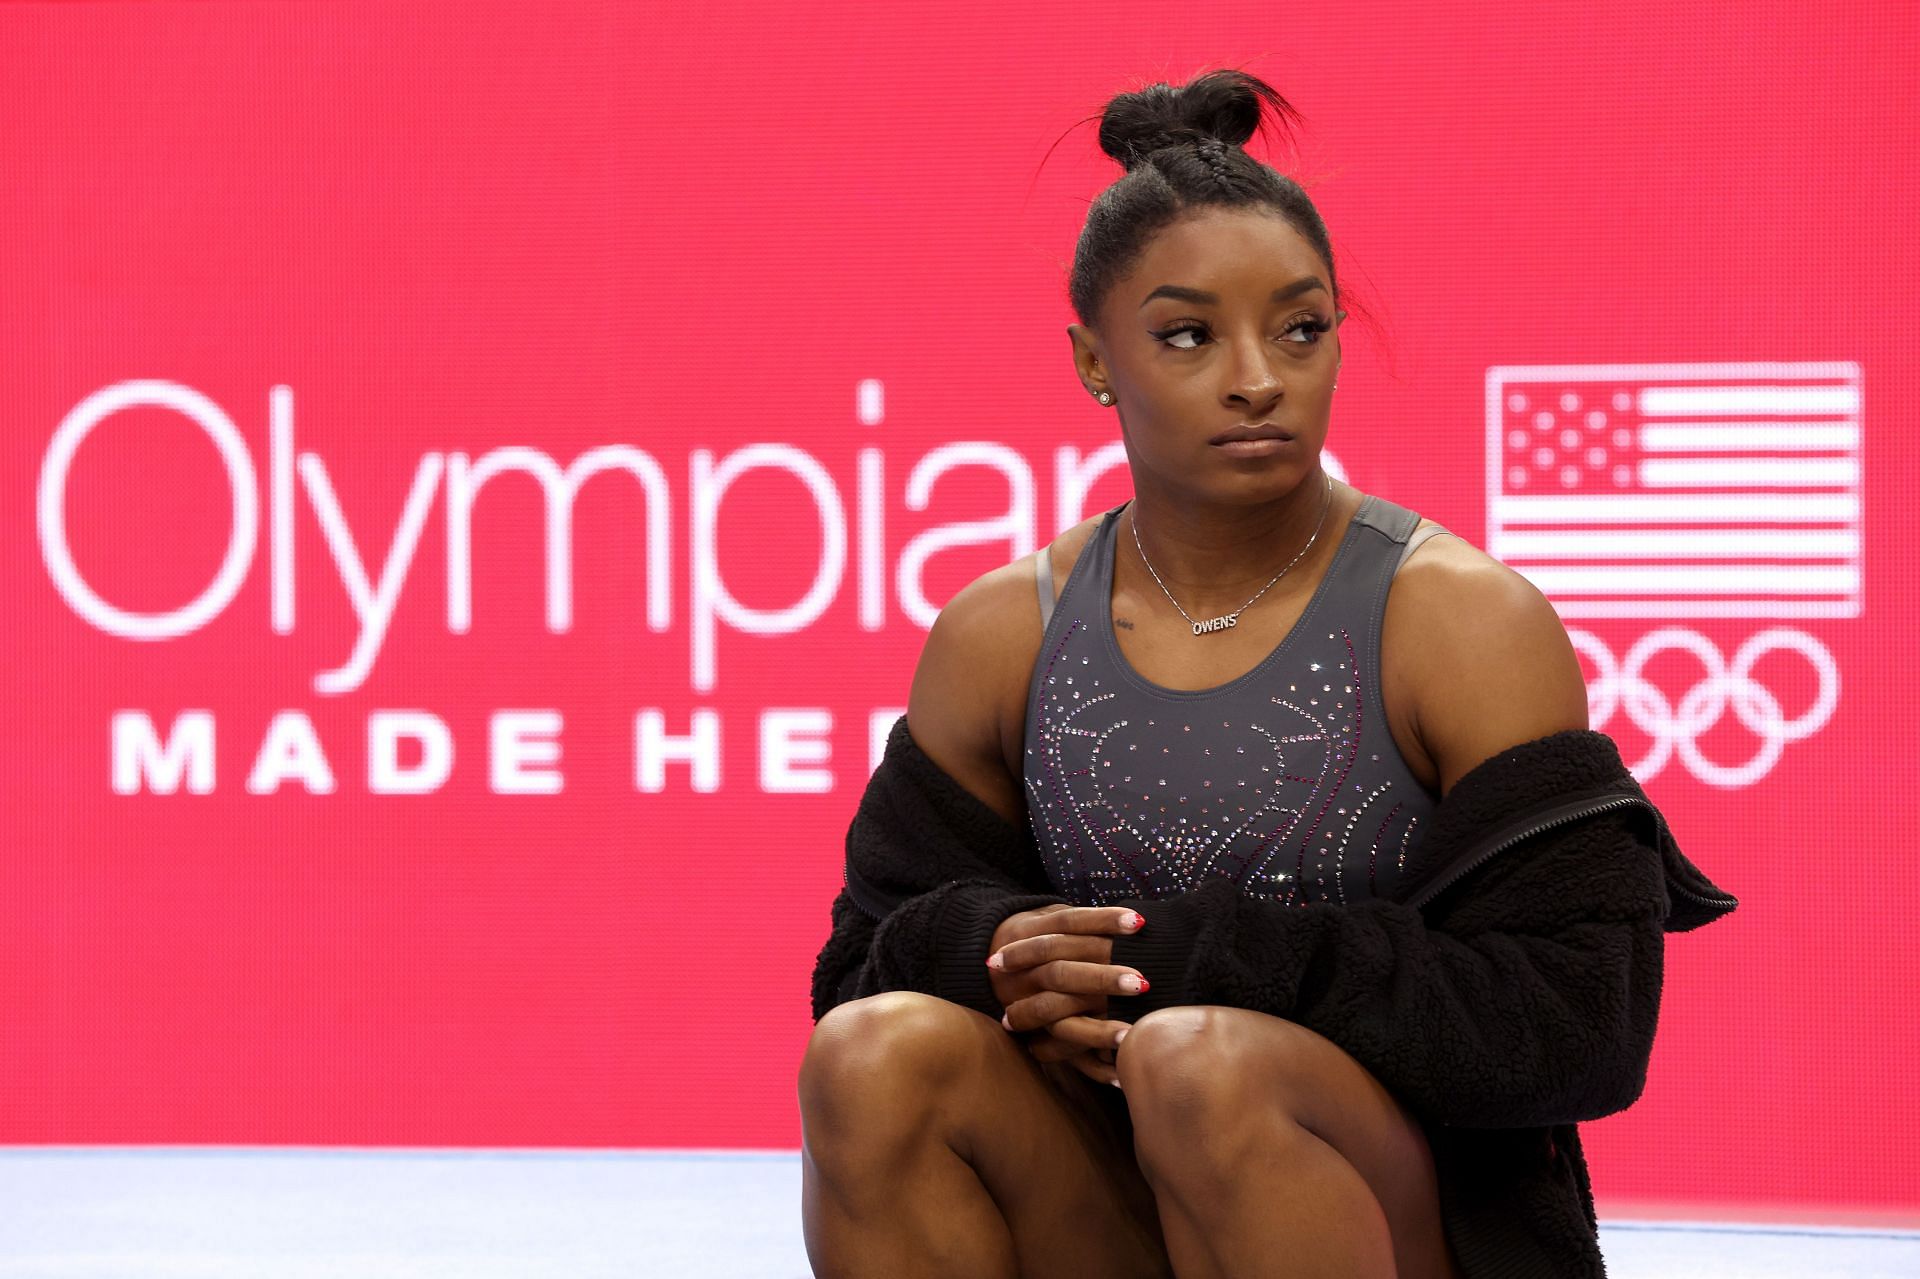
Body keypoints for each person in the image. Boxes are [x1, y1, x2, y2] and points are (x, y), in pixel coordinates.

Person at [798, 68, 1733, 1279]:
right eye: (1188, 334)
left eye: (1301, 327)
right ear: (1093, 359)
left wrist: (1187, 962)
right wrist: (999, 945)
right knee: (869, 1057)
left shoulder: (1457, 619)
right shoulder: (1001, 635)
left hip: (1409, 1224)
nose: (1258, 376)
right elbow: (851, 975)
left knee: (1203, 1059)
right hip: (1114, 1206)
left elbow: (1579, 1027)